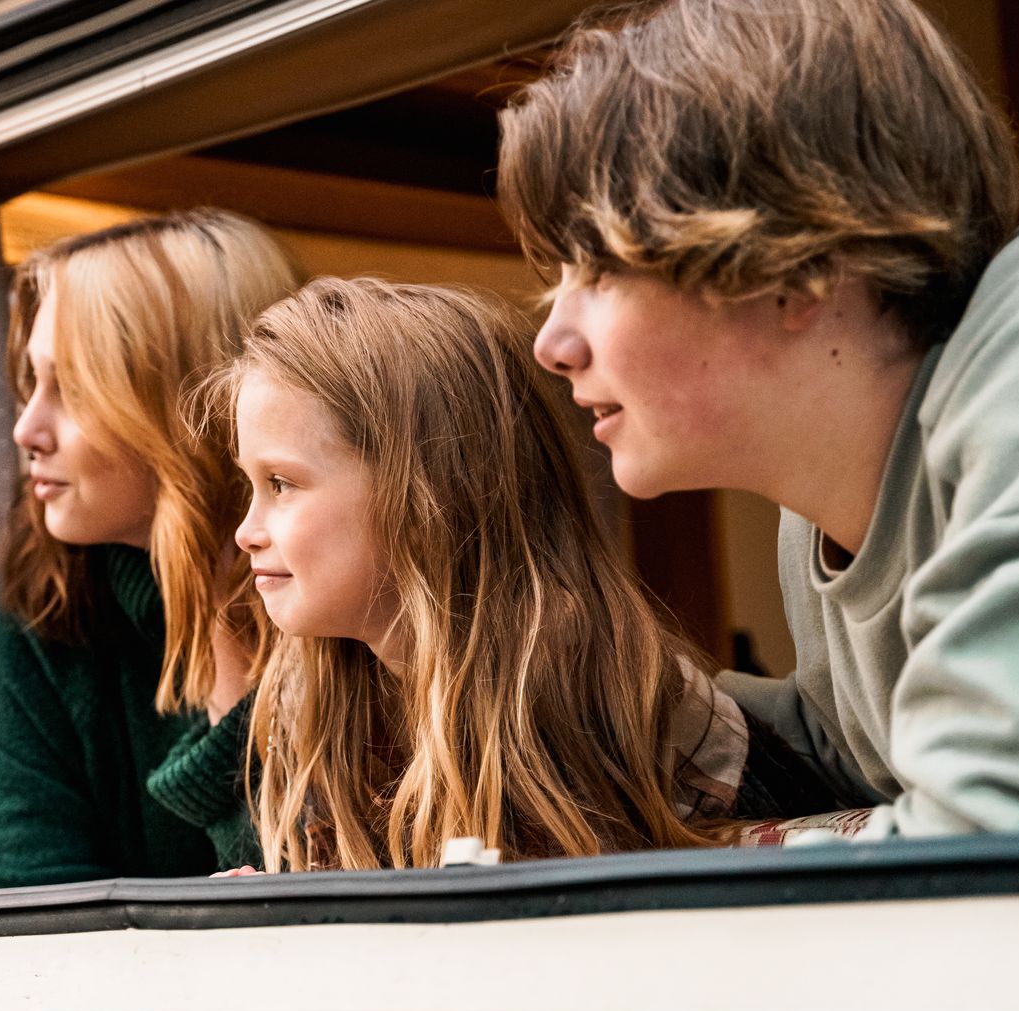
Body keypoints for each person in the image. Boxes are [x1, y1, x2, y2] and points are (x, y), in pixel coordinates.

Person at [504, 0, 1019, 839]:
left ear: (799, 260)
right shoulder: (824, 511)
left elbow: (1014, 838)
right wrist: (581, 699)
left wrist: (714, 856)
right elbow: (862, 753)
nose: (552, 343)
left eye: (599, 269)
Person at [215, 277, 746, 871]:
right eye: (251, 486)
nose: (246, 531)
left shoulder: (582, 677)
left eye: (281, 484)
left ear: (422, 494)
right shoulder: (309, 691)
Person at [0, 210, 300, 891]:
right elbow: (22, 894)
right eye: (31, 382)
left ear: (190, 399)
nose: (26, 428)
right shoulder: (46, 590)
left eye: (72, 391)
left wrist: (222, 617)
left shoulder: (341, 594)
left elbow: (307, 895)